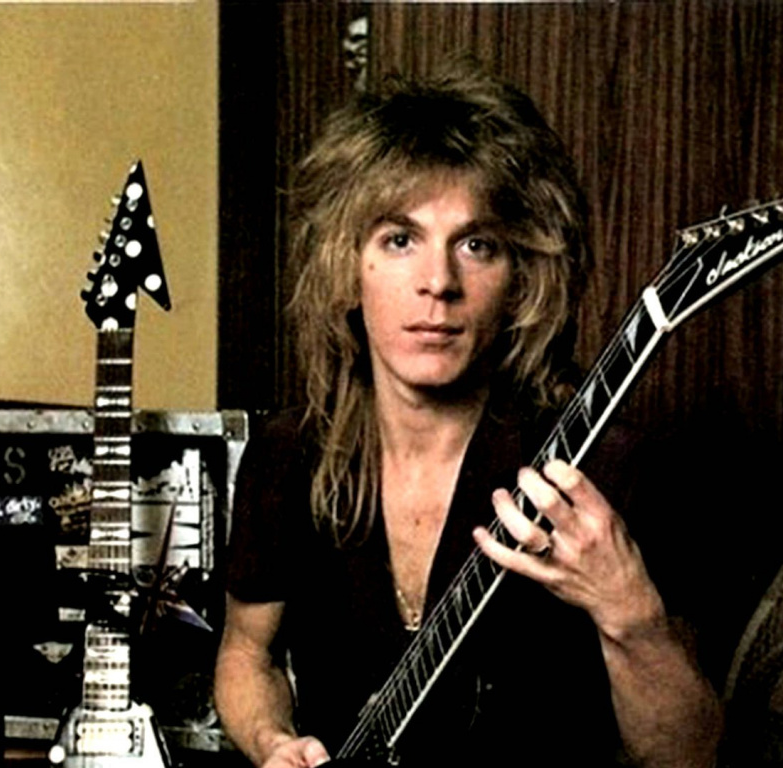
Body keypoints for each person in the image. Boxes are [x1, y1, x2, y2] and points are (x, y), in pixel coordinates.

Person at [212, 63, 722, 767]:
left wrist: (631, 616)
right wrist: (273, 741)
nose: (438, 283)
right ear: (346, 266)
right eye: (400, 239)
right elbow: (247, 653)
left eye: (476, 245)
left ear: (521, 278)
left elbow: (688, 756)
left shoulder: (605, 466)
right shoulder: (287, 455)